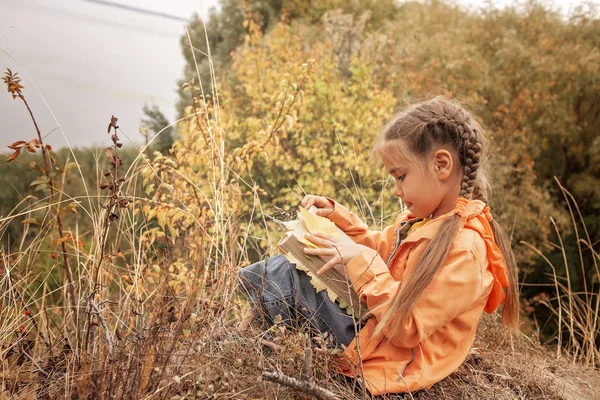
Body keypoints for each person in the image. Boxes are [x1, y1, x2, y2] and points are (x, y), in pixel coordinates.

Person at [237, 96, 519, 395]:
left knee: (292, 277)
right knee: (299, 264)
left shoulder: (466, 251)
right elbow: (383, 247)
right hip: (378, 329)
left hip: (391, 357)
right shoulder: (421, 221)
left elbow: (407, 326)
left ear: (441, 165)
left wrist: (361, 261)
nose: (397, 190)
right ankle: (249, 345)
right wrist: (339, 218)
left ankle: (240, 347)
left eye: (401, 176)